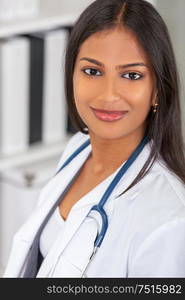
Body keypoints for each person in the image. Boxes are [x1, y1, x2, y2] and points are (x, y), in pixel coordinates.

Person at [4, 0, 185, 278]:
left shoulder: (169, 218)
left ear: (157, 91)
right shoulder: (78, 147)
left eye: (131, 75)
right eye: (92, 71)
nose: (108, 95)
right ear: (71, 75)